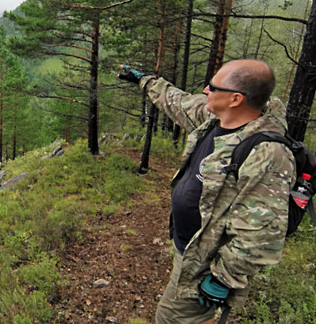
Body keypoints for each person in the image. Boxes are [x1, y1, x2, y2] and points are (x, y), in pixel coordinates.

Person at [118, 60, 296, 324]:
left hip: (207, 265)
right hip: (190, 249)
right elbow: (178, 102)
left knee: (170, 318)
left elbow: (262, 233)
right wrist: (145, 80)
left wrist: (223, 278)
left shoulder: (267, 154)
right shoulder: (218, 119)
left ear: (235, 99)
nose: (205, 90)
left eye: (213, 87)